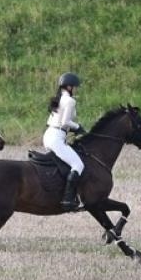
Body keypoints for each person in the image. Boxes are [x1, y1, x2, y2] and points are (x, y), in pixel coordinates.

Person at [45, 72, 85, 211]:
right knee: (78, 164)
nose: (76, 89)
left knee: (63, 164)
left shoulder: (60, 98)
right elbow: (65, 122)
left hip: (49, 135)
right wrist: (78, 127)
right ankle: (68, 199)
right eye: (75, 87)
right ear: (69, 87)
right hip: (56, 138)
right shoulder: (70, 101)